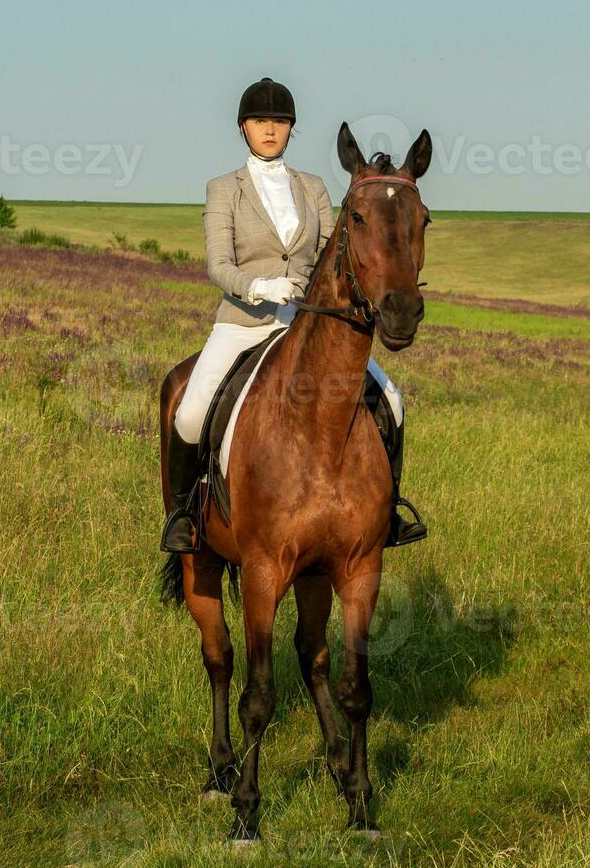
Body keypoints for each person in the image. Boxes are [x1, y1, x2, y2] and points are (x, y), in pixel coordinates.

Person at [161, 77, 427, 552]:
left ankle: (388, 513)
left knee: (392, 398)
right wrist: (260, 286)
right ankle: (184, 518)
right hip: (242, 324)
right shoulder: (225, 189)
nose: (270, 130)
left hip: (306, 325)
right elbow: (218, 264)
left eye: (280, 122)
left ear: (291, 130)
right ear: (243, 127)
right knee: (190, 411)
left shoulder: (313, 187)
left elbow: (333, 250)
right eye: (261, 122)